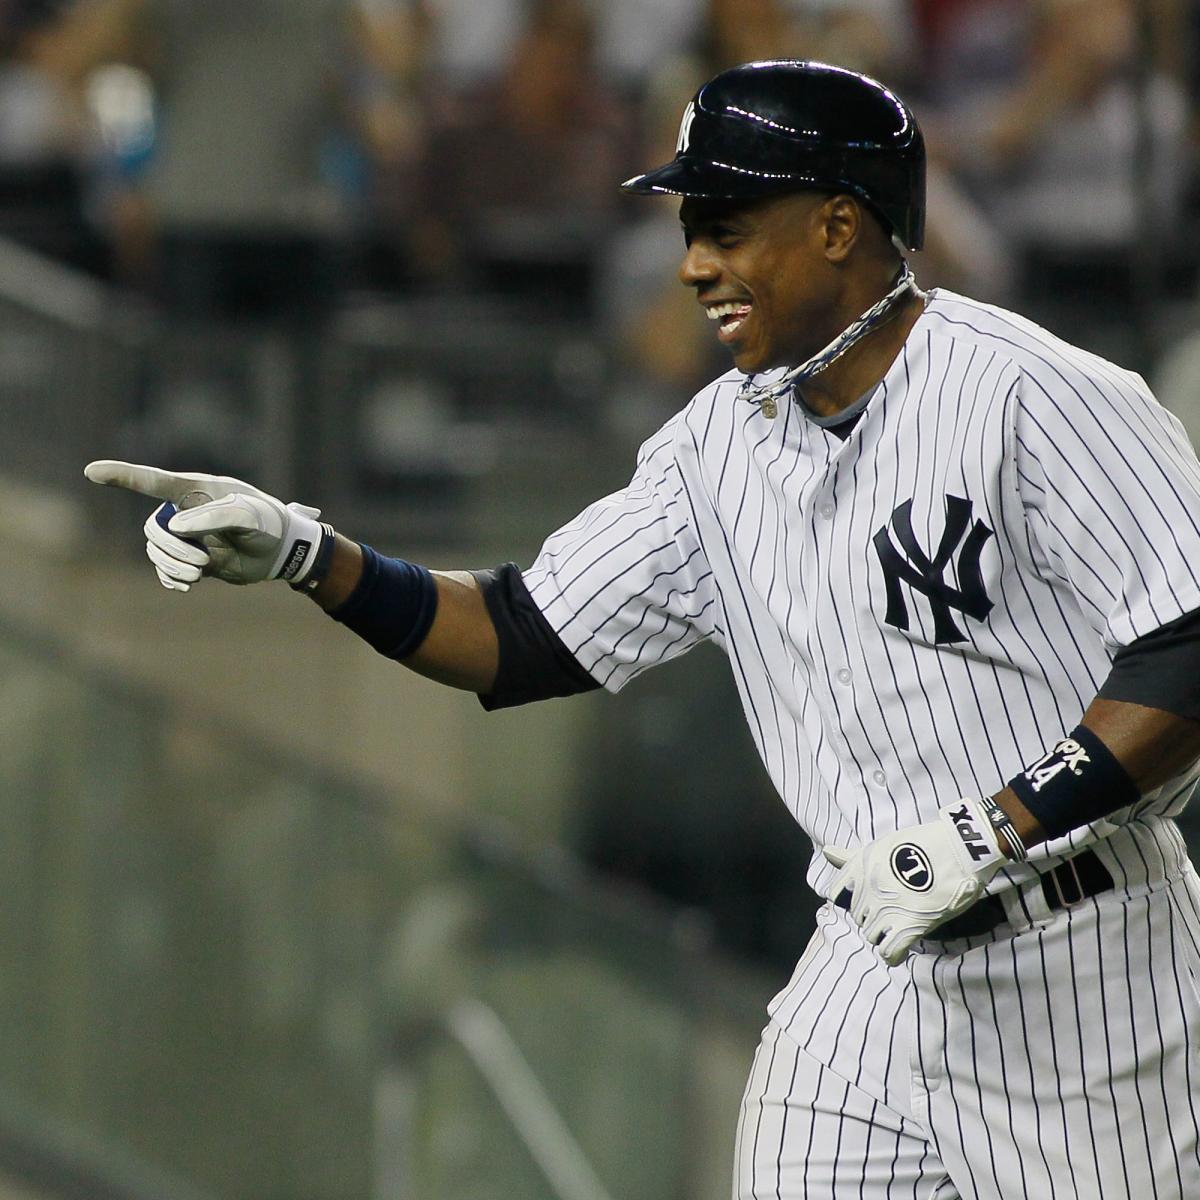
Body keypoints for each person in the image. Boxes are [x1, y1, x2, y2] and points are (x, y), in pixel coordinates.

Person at [86, 60, 1200, 1198]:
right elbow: (516, 637)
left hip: (1080, 958)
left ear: (836, 225)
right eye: (689, 229)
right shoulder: (712, 448)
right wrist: (307, 556)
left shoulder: (1034, 393)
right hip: (867, 960)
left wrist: (999, 830)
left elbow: (1189, 643)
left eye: (726, 226)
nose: (692, 264)